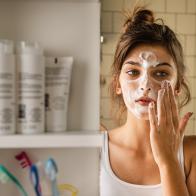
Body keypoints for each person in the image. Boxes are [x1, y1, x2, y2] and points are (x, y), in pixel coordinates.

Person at [100, 6, 196, 196]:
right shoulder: (96, 148)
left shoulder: (192, 153)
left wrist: (168, 160)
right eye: (133, 72)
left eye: (161, 73)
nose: (145, 85)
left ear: (177, 87)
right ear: (117, 84)